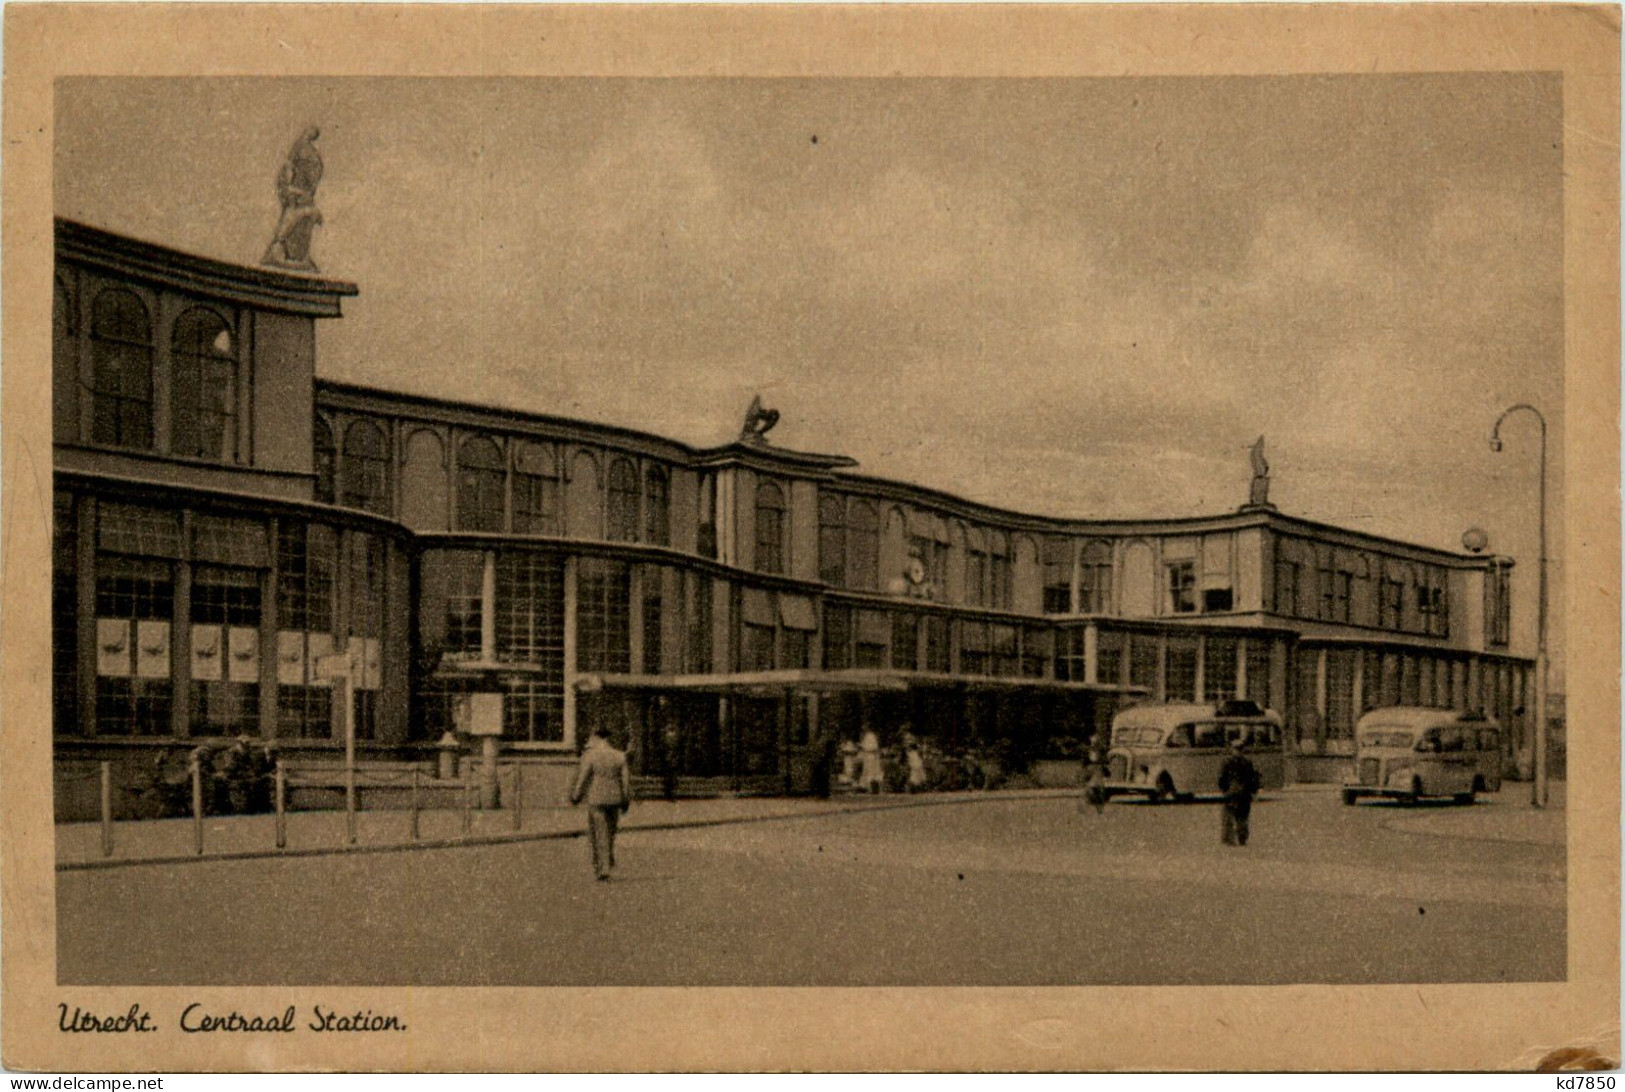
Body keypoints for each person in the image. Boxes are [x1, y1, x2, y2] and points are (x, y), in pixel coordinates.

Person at [569, 726, 633, 881]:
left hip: (596, 798)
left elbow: (583, 778)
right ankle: (607, 863)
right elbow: (625, 782)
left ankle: (602, 868)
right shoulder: (620, 756)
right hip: (614, 798)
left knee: (599, 833)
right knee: (610, 833)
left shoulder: (591, 756)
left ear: (597, 738)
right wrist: (625, 801)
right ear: (608, 739)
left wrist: (576, 796)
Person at [1217, 736, 1262, 847]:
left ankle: (1228, 839)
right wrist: (1254, 791)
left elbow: (1222, 778)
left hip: (1231, 793)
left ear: (1232, 749)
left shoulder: (1226, 762)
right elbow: (1252, 778)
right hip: (1244, 793)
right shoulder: (1248, 762)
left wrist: (1224, 790)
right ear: (1243, 749)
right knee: (1243, 817)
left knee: (1228, 816)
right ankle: (1242, 838)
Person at [1080, 734, 1109, 816]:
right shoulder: (1088, 752)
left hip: (1098, 773)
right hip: (1091, 772)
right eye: (1092, 742)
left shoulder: (1101, 751)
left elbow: (1105, 762)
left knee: (1100, 792)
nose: (1094, 744)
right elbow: (1084, 763)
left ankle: (1099, 810)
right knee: (1089, 791)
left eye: (1095, 742)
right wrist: (1085, 772)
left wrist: (1105, 772)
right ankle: (1084, 809)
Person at [660, 720, 681, 803]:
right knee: (672, 777)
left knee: (669, 777)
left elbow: (664, 747)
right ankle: (671, 794)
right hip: (672, 759)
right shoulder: (674, 737)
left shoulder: (666, 737)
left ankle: (668, 794)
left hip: (668, 758)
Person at [859, 727, 884, 794]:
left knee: (872, 772)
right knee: (867, 771)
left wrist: (864, 747)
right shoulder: (866, 736)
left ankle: (873, 788)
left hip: (871, 756)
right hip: (867, 756)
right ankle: (867, 787)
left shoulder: (870, 735)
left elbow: (873, 747)